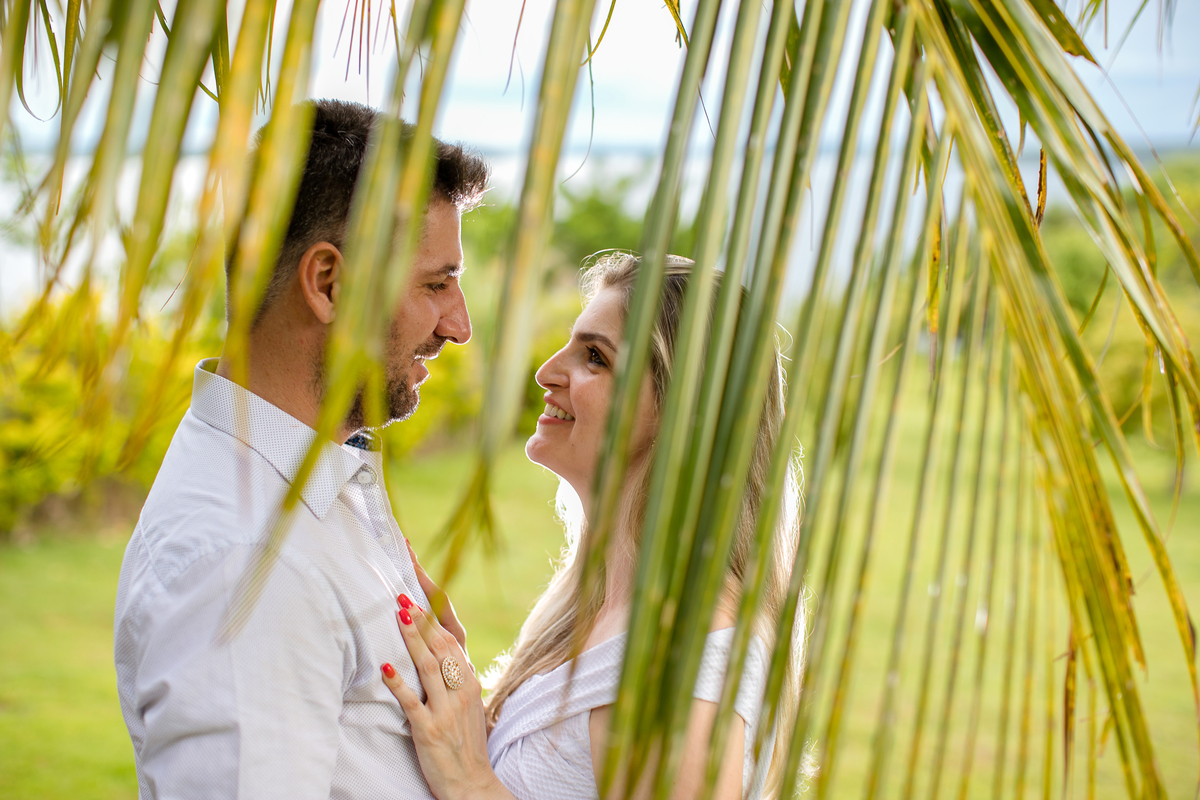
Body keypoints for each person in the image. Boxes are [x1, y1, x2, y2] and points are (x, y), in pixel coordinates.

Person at [113, 99, 488, 799]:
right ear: (328, 285)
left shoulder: (312, 487)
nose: (459, 326)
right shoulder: (242, 565)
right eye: (436, 285)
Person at [380, 253, 805, 800]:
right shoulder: (600, 604)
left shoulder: (681, 673)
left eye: (596, 358)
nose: (547, 372)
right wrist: (465, 702)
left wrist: (471, 784)